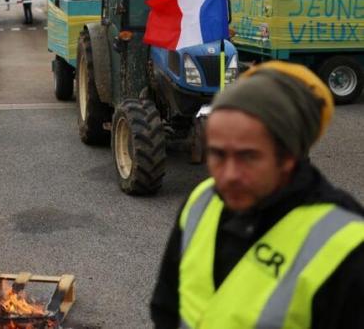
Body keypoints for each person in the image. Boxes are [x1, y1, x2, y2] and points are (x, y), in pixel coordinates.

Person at [150, 61, 364, 329]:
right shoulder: (201, 202)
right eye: (217, 154)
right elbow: (166, 308)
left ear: (289, 156)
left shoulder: (348, 243)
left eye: (248, 157)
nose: (228, 175)